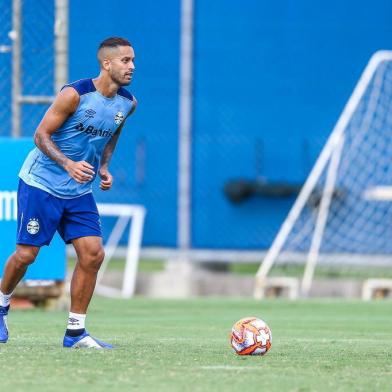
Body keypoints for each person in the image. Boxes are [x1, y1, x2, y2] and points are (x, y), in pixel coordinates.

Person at [0, 37, 137, 349]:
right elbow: (41, 135)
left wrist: (103, 166)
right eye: (125, 61)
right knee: (26, 255)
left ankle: (76, 332)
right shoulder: (74, 95)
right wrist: (67, 164)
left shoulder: (128, 103)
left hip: (78, 190)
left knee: (93, 254)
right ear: (107, 63)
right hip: (41, 183)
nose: (131, 67)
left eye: (132, 61)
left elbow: (112, 133)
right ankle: (1, 305)